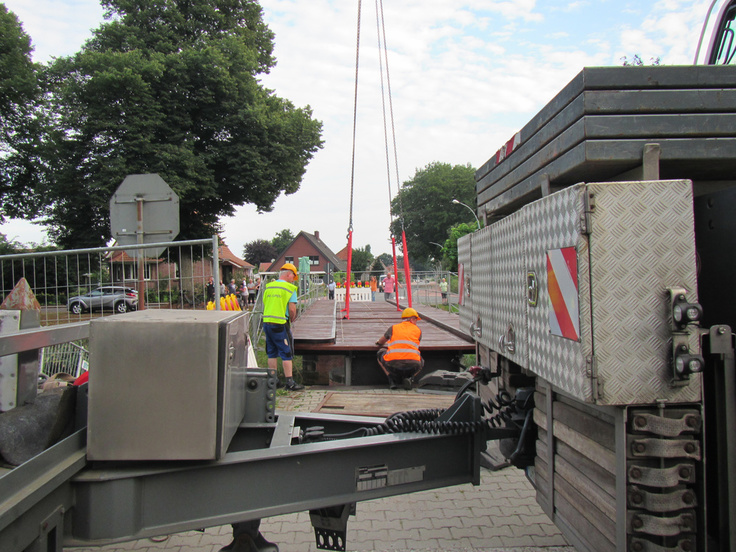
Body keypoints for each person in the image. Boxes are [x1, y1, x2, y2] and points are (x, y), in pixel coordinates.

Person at [262, 263, 304, 391]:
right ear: (288, 274)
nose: (293, 280)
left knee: (271, 353)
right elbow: (292, 309)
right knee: (286, 353)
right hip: (280, 323)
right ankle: (290, 382)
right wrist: (292, 319)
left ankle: (273, 380)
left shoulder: (269, 286)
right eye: (293, 277)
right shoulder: (289, 288)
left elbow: (265, 302)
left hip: (267, 322)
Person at [375, 307, 424, 390]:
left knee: (380, 353)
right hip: (413, 364)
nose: (416, 323)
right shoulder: (418, 331)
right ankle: (410, 379)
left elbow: (381, 341)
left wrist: (378, 343)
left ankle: (391, 380)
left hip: (392, 364)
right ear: (412, 319)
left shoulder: (393, 328)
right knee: (421, 361)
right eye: (416, 320)